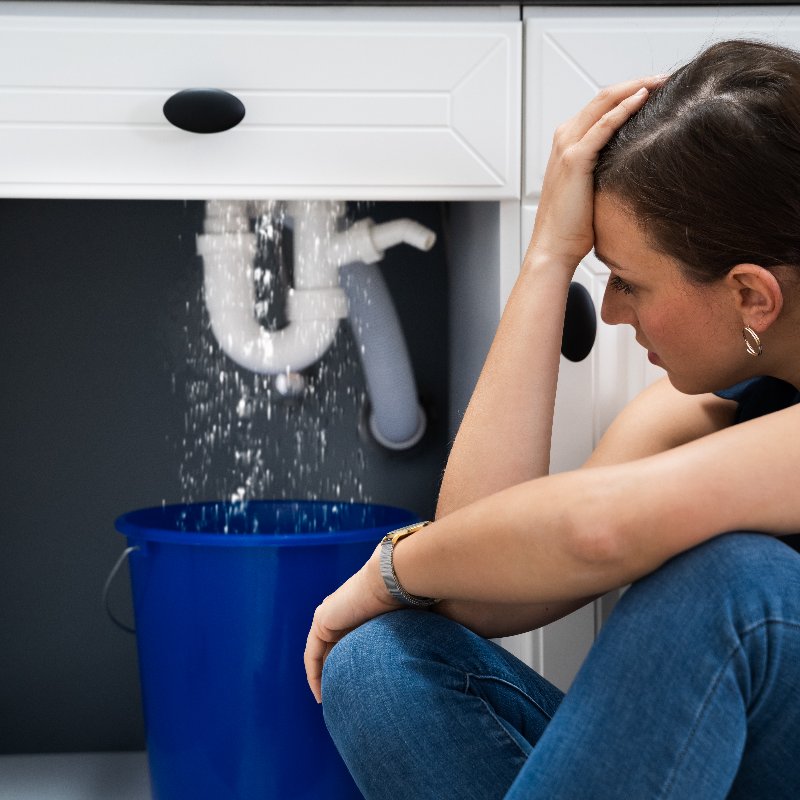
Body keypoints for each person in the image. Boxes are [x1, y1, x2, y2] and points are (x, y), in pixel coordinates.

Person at [304, 39, 800, 799]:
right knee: (382, 659)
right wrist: (546, 259)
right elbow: (476, 587)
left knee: (733, 587)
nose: (610, 309)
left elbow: (598, 527)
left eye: (630, 283)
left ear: (751, 297)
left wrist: (386, 569)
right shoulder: (709, 408)